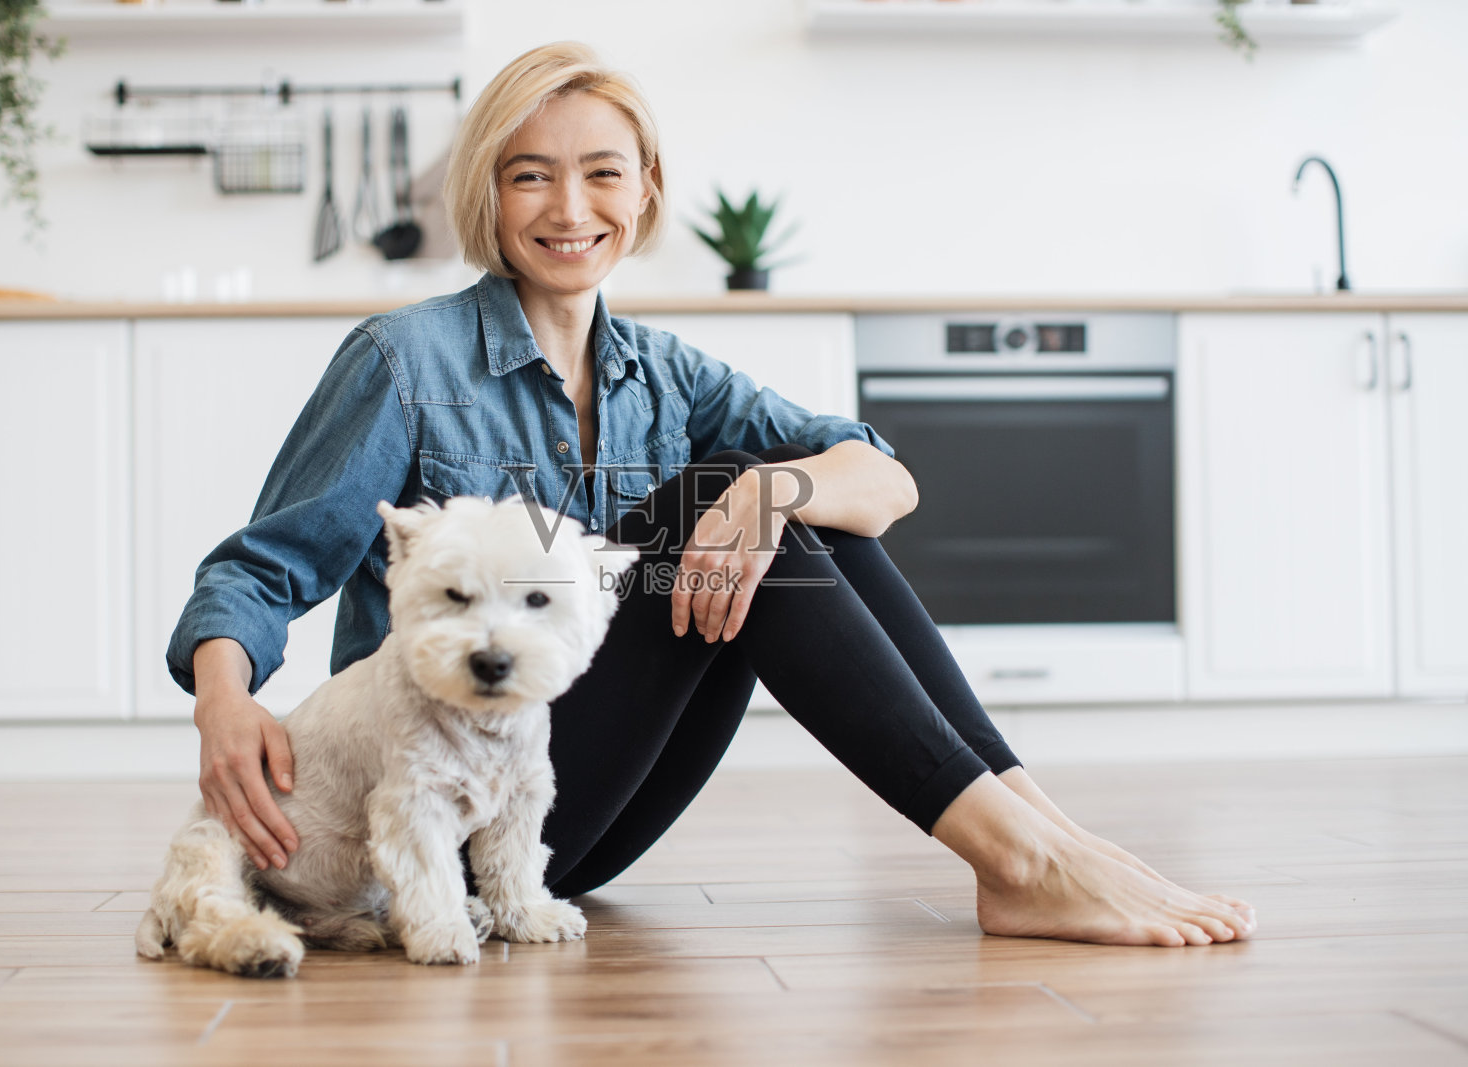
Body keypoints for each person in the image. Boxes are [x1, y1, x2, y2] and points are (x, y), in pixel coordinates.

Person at [169, 41, 1256, 949]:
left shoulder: (665, 372)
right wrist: (224, 702)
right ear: (487, 193)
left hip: (561, 815)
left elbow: (882, 479)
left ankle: (1042, 836)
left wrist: (775, 487)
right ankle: (1021, 859)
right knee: (721, 498)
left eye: (601, 172)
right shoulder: (405, 361)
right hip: (427, 820)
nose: (569, 207)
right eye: (530, 175)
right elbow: (261, 567)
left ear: (643, 189)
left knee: (782, 503)